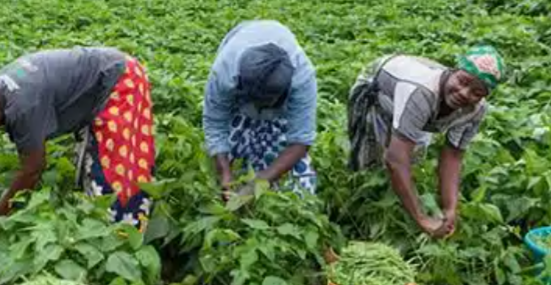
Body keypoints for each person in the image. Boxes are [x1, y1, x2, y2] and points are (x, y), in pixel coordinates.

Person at [0, 48, 155, 229]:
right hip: (101, 76)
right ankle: (97, 221)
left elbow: (32, 169)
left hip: (121, 79)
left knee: (117, 171)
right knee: (92, 161)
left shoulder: (22, 108)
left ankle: (125, 236)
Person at [347, 46, 505, 239]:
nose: (464, 93)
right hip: (379, 87)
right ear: (453, 71)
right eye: (462, 81)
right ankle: (363, 203)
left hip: (421, 103)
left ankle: (400, 198)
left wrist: (450, 208)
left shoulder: (476, 110)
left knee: (412, 158)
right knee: (371, 157)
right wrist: (422, 219)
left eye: (476, 92)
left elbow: (454, 155)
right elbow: (396, 160)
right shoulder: (422, 91)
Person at [203, 20, 318, 196]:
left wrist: (258, 184)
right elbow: (215, 122)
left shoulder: (302, 79)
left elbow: (300, 140)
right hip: (239, 72)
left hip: (282, 96)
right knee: (235, 153)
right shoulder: (225, 72)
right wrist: (225, 174)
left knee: (296, 185)